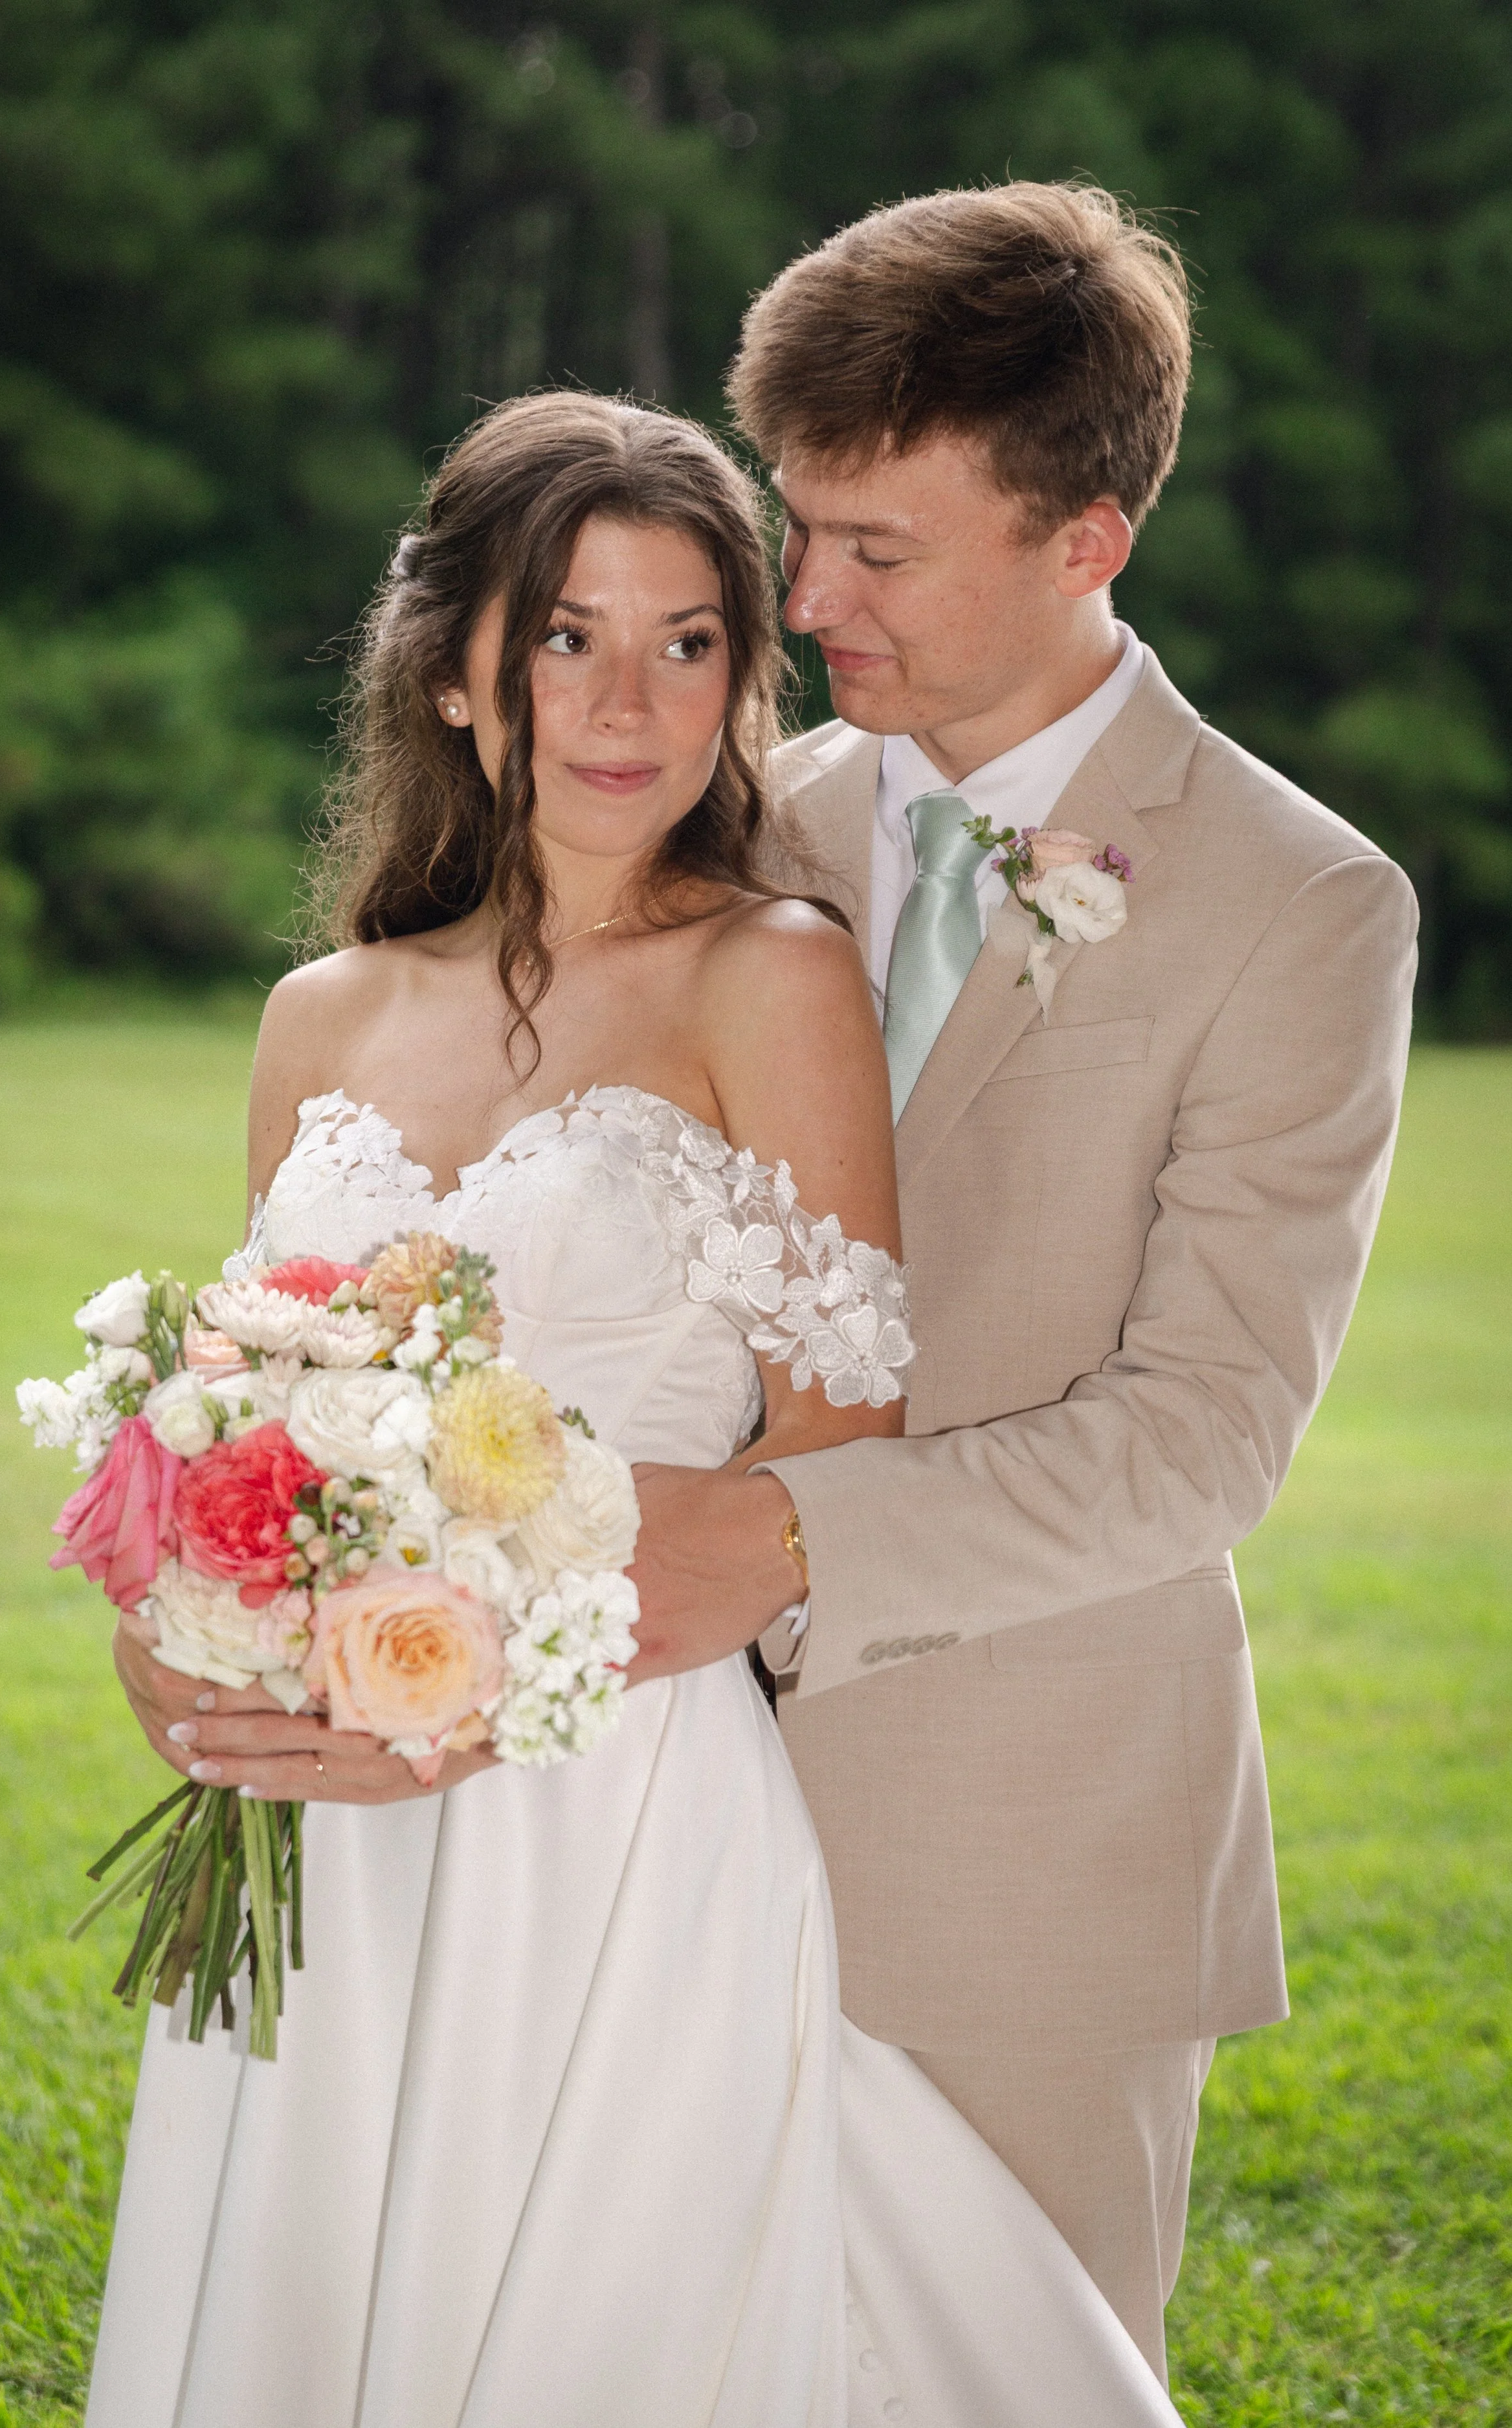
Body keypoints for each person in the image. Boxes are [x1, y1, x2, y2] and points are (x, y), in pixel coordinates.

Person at [91, 390, 1181, 2427]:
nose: (626, 701)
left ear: (743, 680)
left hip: (613, 1782)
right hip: (325, 1806)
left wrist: (490, 1659)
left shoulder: (768, 971)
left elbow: (835, 1437)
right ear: (453, 670)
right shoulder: (320, 1014)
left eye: (687, 641)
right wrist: (184, 1638)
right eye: (566, 636)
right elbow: (238, 1408)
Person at [625, 182, 1419, 2384]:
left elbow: (1205, 1436)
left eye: (877, 551)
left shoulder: (1302, 904)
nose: (806, 600)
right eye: (799, 528)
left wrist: (779, 1541)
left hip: (1033, 1855)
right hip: (645, 1819)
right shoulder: (725, 830)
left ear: (1087, 538)